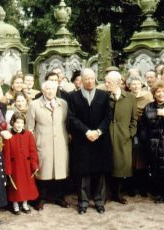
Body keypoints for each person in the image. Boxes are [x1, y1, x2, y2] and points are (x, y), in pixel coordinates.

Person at [68, 68, 112, 214]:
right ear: (81, 79)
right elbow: (72, 117)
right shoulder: (73, 96)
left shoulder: (104, 95)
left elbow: (108, 117)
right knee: (83, 173)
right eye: (86, 78)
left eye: (92, 78)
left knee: (99, 172)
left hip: (100, 139)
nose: (89, 81)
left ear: (95, 79)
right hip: (82, 139)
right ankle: (83, 203)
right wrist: (86, 131)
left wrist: (98, 131)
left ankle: (99, 201)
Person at [26, 81, 70, 210]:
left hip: (61, 142)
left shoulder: (63, 104)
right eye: (47, 89)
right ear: (43, 90)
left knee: (60, 171)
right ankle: (41, 198)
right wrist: (34, 143)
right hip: (43, 142)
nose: (50, 91)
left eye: (52, 89)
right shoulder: (34, 104)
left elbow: (67, 123)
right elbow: (30, 128)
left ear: (56, 89)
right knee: (43, 171)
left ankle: (59, 197)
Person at [105, 71, 138, 204]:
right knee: (107, 165)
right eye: (105, 82)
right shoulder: (104, 97)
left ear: (118, 83)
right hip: (107, 137)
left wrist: (130, 133)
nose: (106, 84)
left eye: (109, 82)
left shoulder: (130, 98)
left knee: (121, 166)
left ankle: (117, 194)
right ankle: (106, 194)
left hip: (123, 137)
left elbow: (134, 119)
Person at [3, 112, 39, 215]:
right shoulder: (8, 135)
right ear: (12, 123)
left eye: (21, 123)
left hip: (26, 166)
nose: (19, 125)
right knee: (16, 187)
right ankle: (15, 205)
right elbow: (7, 154)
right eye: (17, 122)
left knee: (26, 186)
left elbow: (33, 151)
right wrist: (8, 170)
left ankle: (24, 204)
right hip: (15, 167)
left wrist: (34, 165)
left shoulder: (28, 134)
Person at [127, 75, 153, 197]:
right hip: (130, 130)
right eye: (133, 84)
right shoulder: (126, 97)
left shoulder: (147, 96)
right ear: (129, 86)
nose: (136, 86)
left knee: (143, 159)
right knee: (131, 159)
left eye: (138, 84)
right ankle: (131, 187)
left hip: (144, 130)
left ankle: (143, 187)